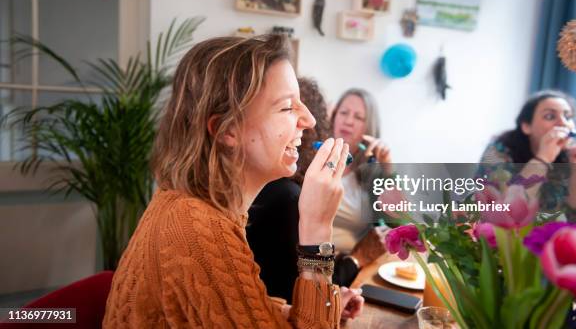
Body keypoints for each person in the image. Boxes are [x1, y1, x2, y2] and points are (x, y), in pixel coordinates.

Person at [103, 35, 364, 328]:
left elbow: (241, 305)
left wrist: (307, 308)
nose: (310, 120)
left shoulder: (193, 206)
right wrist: (317, 231)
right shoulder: (199, 234)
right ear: (227, 130)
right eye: (287, 107)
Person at [247, 77, 332, 301]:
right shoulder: (289, 197)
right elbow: (305, 303)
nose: (310, 120)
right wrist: (319, 225)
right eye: (287, 108)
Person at [477, 90, 576, 225]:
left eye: (568, 117)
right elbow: (501, 216)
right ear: (527, 127)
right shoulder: (498, 152)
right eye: (550, 116)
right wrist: (543, 158)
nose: (563, 123)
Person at [330, 89, 394, 285]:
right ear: (333, 116)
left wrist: (388, 170)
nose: (348, 121)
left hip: (350, 270)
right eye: (343, 113)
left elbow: (396, 224)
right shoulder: (312, 156)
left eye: (358, 117)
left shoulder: (372, 172)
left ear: (369, 127)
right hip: (309, 262)